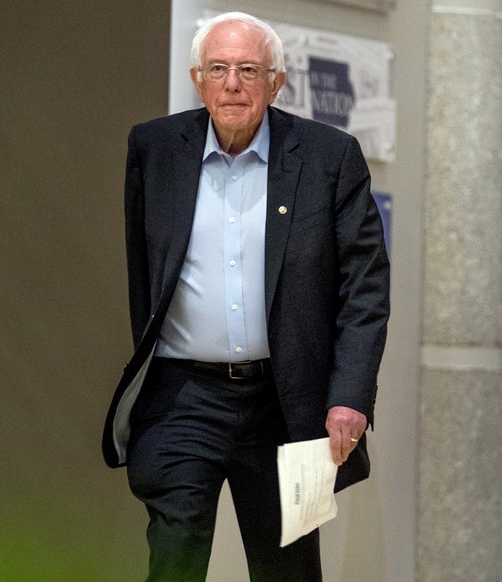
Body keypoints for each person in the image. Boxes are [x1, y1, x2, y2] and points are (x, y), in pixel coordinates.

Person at [101, 11, 390, 581]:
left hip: (283, 401)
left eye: (249, 69)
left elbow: (365, 287)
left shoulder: (328, 158)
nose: (233, 83)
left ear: (276, 82)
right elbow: (145, 269)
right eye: (219, 68)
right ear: (197, 78)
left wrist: (349, 394)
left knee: (288, 569)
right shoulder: (155, 149)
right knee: (175, 547)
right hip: (183, 396)